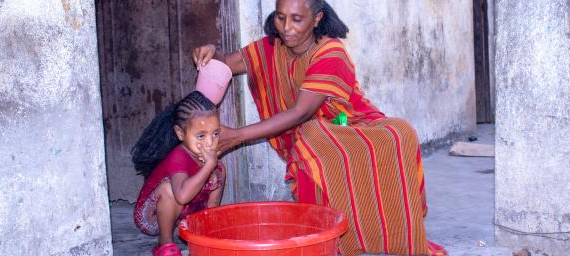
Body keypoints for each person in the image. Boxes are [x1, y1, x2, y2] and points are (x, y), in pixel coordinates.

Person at [193, 1, 446, 255]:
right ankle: (322, 234)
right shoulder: (271, 46)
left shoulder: (330, 52)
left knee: (399, 132)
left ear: (316, 18)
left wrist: (236, 135)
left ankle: (377, 230)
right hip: (314, 133)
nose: (287, 28)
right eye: (281, 18)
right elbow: (226, 63)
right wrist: (211, 52)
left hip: (356, 126)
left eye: (296, 19)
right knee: (312, 136)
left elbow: (300, 112)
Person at [131, 91, 225, 256]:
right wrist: (208, 166)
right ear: (180, 133)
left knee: (219, 171)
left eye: (215, 134)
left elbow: (212, 207)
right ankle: (165, 244)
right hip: (152, 217)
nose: (210, 142)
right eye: (201, 136)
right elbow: (182, 196)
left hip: (183, 217)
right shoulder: (179, 155)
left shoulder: (215, 165)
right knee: (169, 189)